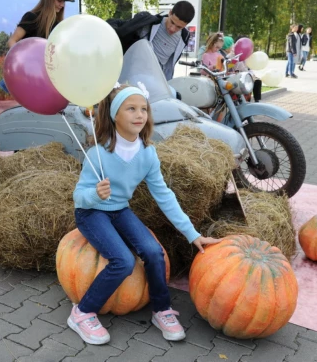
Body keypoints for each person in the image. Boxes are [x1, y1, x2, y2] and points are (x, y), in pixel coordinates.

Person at [68, 85, 222, 345]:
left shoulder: (148, 154)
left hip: (119, 211)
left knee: (153, 252)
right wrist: (95, 194)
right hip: (91, 213)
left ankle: (161, 310)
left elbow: (164, 196)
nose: (140, 114)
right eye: (131, 109)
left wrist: (192, 234)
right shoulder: (98, 153)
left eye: (144, 109)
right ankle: (82, 312)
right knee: (123, 261)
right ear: (115, 115)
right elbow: (79, 197)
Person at [107, 1, 195, 81]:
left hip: (157, 82)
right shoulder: (149, 23)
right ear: (170, 13)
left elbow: (169, 65)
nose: (172, 29)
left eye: (179, 27)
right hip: (135, 76)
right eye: (172, 22)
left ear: (186, 25)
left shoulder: (184, 37)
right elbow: (122, 26)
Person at [6, 0, 75, 48]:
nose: (62, 5)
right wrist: (21, 58)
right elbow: (12, 41)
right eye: (59, 0)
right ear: (49, 0)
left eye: (64, 2)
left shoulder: (58, 25)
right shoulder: (31, 17)